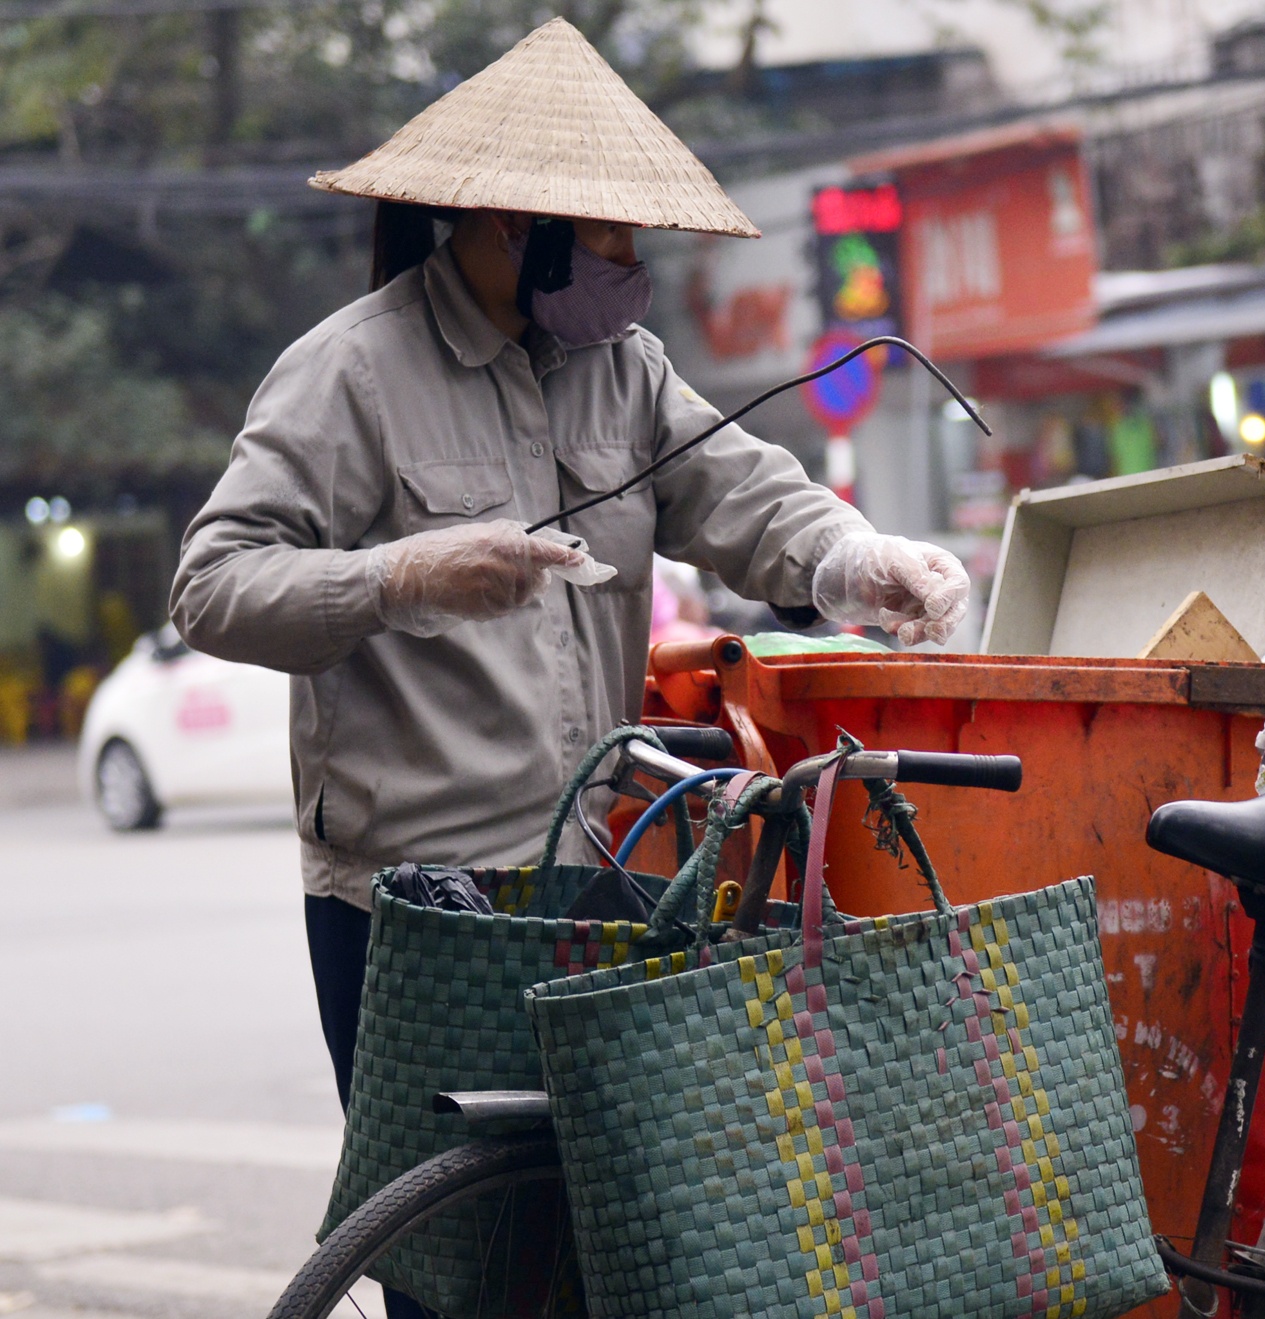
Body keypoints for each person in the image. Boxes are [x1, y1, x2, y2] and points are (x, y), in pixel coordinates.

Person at [168, 23, 965, 1314]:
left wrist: (858, 560)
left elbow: (745, 493)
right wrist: (394, 578)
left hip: (584, 875)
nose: (631, 270)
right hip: (407, 900)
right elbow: (211, 586)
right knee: (451, 1263)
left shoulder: (623, 369)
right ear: (503, 226)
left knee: (600, 1248)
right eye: (607, 241)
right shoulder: (348, 374)